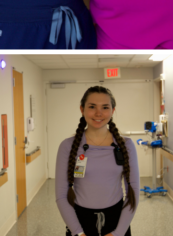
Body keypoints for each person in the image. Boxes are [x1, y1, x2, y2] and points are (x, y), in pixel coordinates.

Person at [56, 86, 139, 236]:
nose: (98, 113)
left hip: (117, 222)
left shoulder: (125, 145)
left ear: (113, 110)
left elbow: (133, 194)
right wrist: (78, 232)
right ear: (82, 109)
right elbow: (61, 196)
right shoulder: (68, 146)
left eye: (105, 107)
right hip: (80, 222)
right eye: (92, 107)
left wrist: (118, 233)